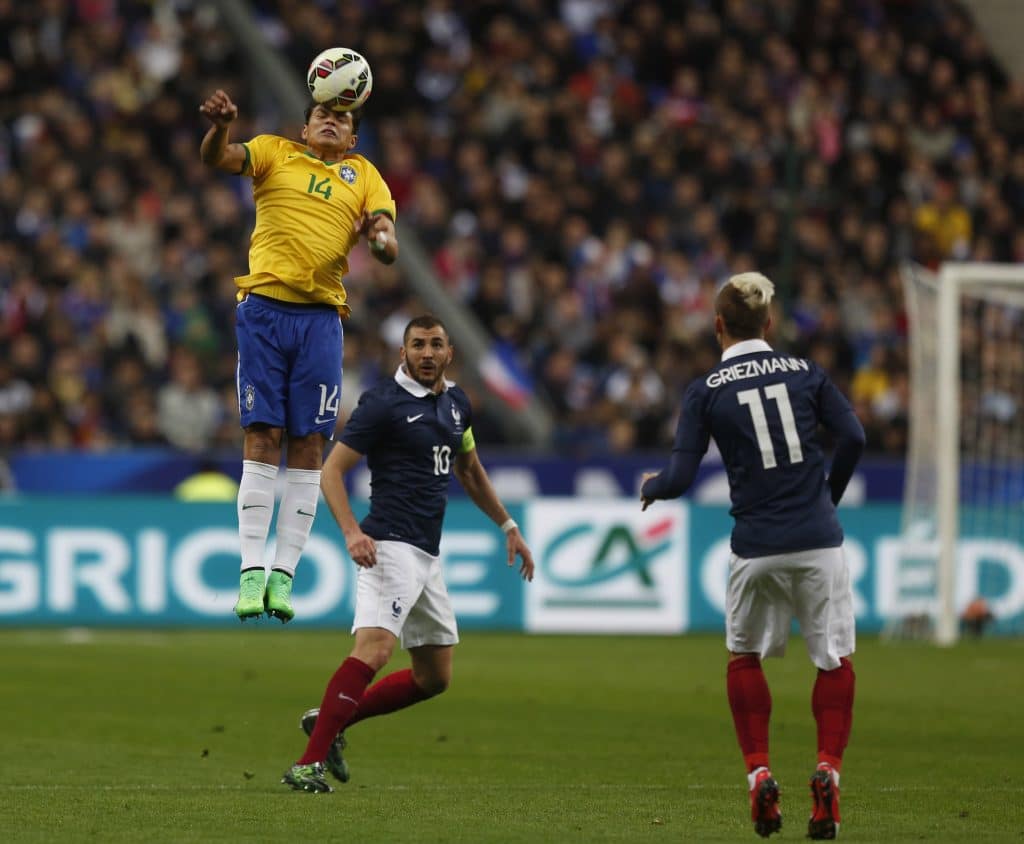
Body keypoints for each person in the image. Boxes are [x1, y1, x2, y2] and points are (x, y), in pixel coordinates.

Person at [640, 273, 865, 840]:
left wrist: (653, 486)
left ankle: (759, 773)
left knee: (744, 657)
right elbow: (855, 437)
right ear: (769, 323)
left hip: (756, 546)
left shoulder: (706, 390)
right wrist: (826, 498)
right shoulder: (806, 372)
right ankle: (827, 771)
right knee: (833, 660)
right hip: (818, 540)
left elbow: (680, 478)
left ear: (718, 325)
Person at [280, 314, 535, 793]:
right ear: (403, 352)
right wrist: (352, 532)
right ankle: (307, 763)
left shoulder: (457, 404)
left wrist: (508, 525)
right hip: (388, 546)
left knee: (434, 677)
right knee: (375, 650)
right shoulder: (383, 403)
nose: (427, 353)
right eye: (417, 344)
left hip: (426, 554)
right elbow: (331, 472)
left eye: (436, 344)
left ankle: (329, 722)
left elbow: (469, 470)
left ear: (449, 352)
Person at [198, 89, 398, 623]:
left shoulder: (365, 177)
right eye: (322, 115)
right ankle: (250, 573)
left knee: (309, 445)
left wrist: (378, 241)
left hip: (321, 321)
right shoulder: (273, 152)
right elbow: (218, 157)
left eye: (341, 119)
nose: (330, 122)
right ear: (304, 128)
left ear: (353, 138)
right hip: (264, 311)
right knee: (262, 435)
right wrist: (220, 127)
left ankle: (283, 577)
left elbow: (388, 242)